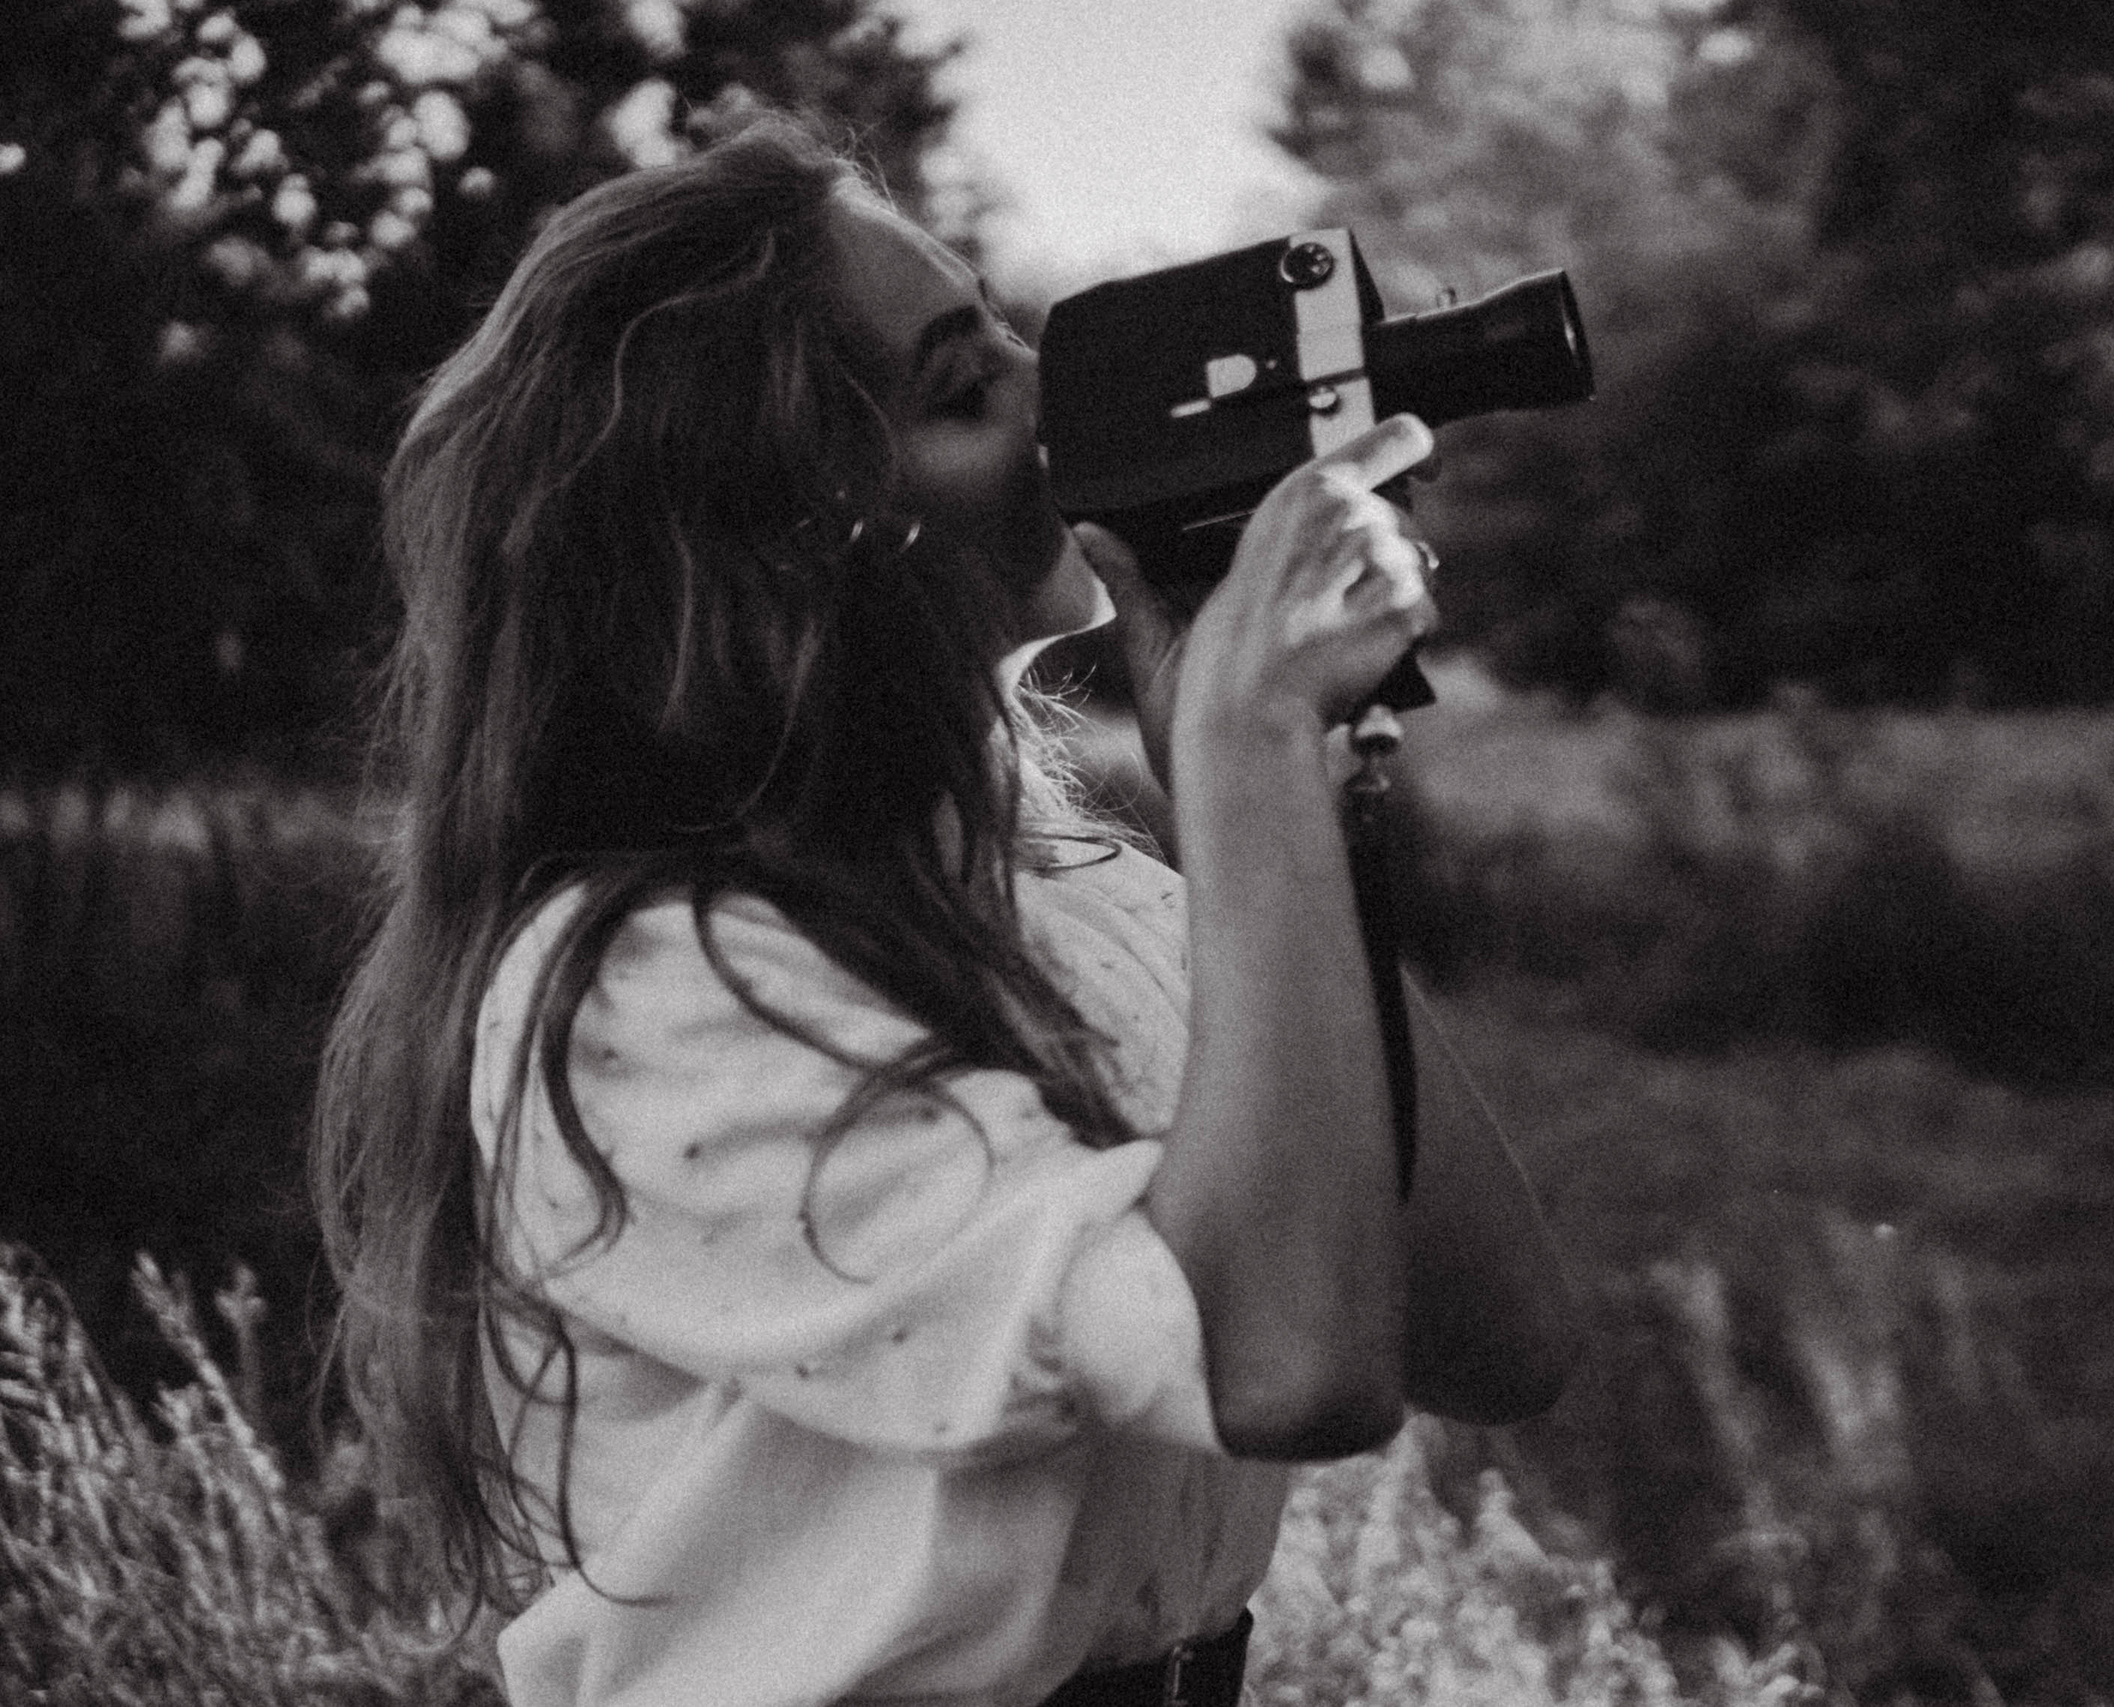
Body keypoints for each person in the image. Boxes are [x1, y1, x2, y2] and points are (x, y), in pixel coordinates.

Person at [311, 116, 1580, 1707]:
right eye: (969, 391)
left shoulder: (1087, 889)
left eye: (1011, 335)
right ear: (785, 541)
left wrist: (1272, 798)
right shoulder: (643, 987)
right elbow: (1291, 1362)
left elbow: (1496, 1339)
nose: (1058, 412)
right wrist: (1245, 751)